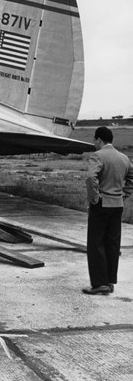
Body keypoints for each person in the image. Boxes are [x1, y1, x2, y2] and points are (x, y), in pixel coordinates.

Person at [83, 126, 133, 295]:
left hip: (102, 204)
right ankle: (110, 281)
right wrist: (124, 195)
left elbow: (91, 177)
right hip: (117, 205)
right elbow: (131, 178)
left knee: (95, 243)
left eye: (94, 140)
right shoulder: (124, 158)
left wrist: (95, 198)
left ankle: (99, 283)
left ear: (99, 139)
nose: (94, 143)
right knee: (112, 244)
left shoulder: (97, 156)